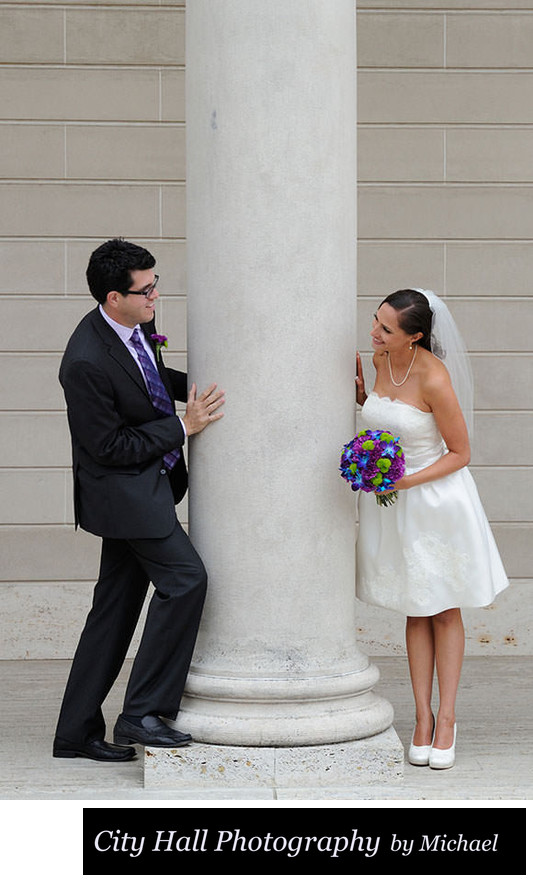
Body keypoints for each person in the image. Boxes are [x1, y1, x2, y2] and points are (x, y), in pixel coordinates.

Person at [53, 238, 224, 762]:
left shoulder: (136, 324)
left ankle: (75, 734)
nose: (155, 296)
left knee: (114, 610)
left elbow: (150, 381)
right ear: (112, 297)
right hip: (124, 495)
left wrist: (204, 387)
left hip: (148, 488)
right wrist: (182, 425)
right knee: (186, 581)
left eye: (156, 284)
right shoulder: (83, 362)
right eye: (145, 290)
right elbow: (107, 447)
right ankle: (142, 713)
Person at [354, 289, 508, 770]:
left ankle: (448, 718)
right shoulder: (381, 359)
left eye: (386, 328)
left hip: (436, 501)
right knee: (414, 608)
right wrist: (361, 398)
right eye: (376, 321)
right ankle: (421, 716)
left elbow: (460, 454)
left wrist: (404, 479)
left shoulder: (435, 377)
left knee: (442, 610)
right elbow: (384, 416)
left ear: (415, 335)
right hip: (394, 504)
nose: (374, 333)